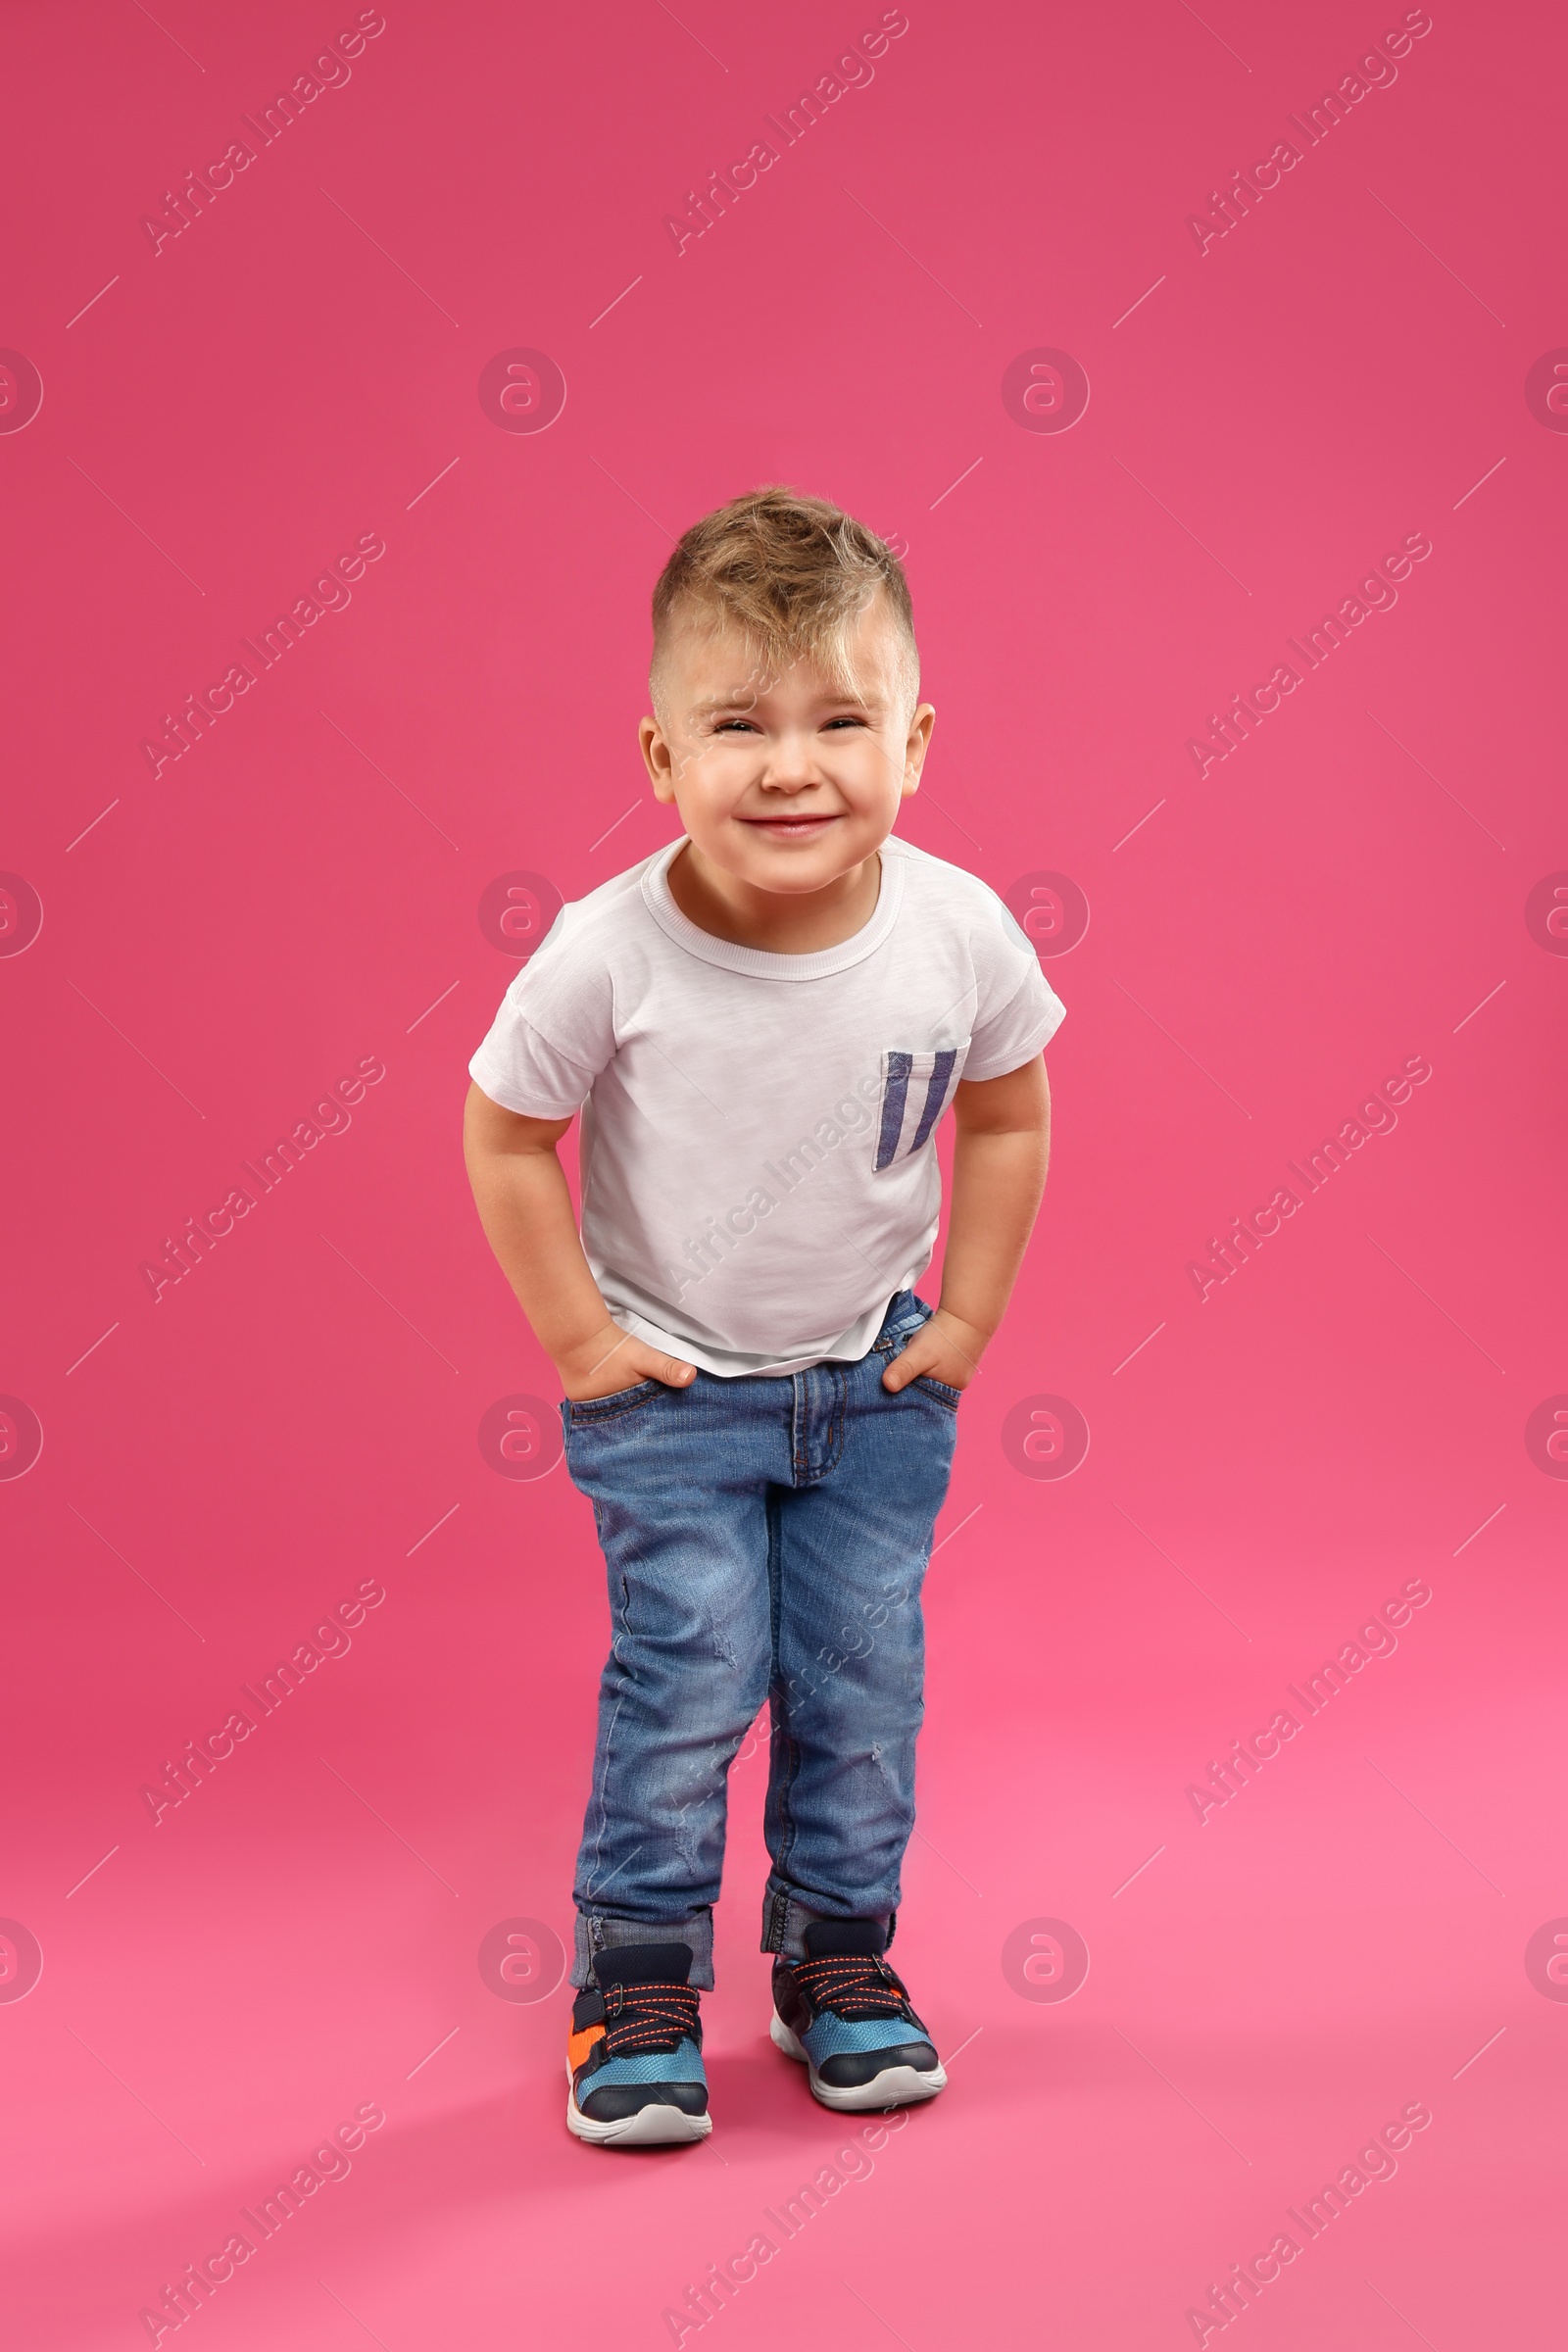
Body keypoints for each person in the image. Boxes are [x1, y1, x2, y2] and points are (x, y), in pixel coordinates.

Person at [464, 487, 1064, 2147]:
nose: (791, 766)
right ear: (662, 757)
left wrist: (969, 1323)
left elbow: (1006, 1110)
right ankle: (637, 1977)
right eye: (737, 724)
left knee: (862, 1685)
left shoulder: (957, 931)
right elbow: (506, 1126)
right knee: (692, 1671)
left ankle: (839, 1961)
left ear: (917, 742)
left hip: (873, 1387)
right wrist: (584, 1345)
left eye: (839, 721)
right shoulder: (611, 952)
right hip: (674, 1394)